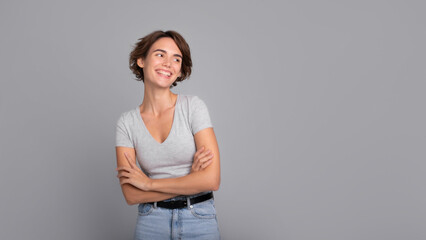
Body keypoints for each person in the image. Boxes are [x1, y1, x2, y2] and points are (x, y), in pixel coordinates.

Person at [115, 30, 221, 239]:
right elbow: (131, 194)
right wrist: (191, 180)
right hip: (151, 221)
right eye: (160, 54)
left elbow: (212, 180)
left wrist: (149, 184)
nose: (168, 63)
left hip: (198, 218)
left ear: (181, 71)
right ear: (141, 60)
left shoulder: (193, 107)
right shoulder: (127, 123)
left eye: (176, 58)